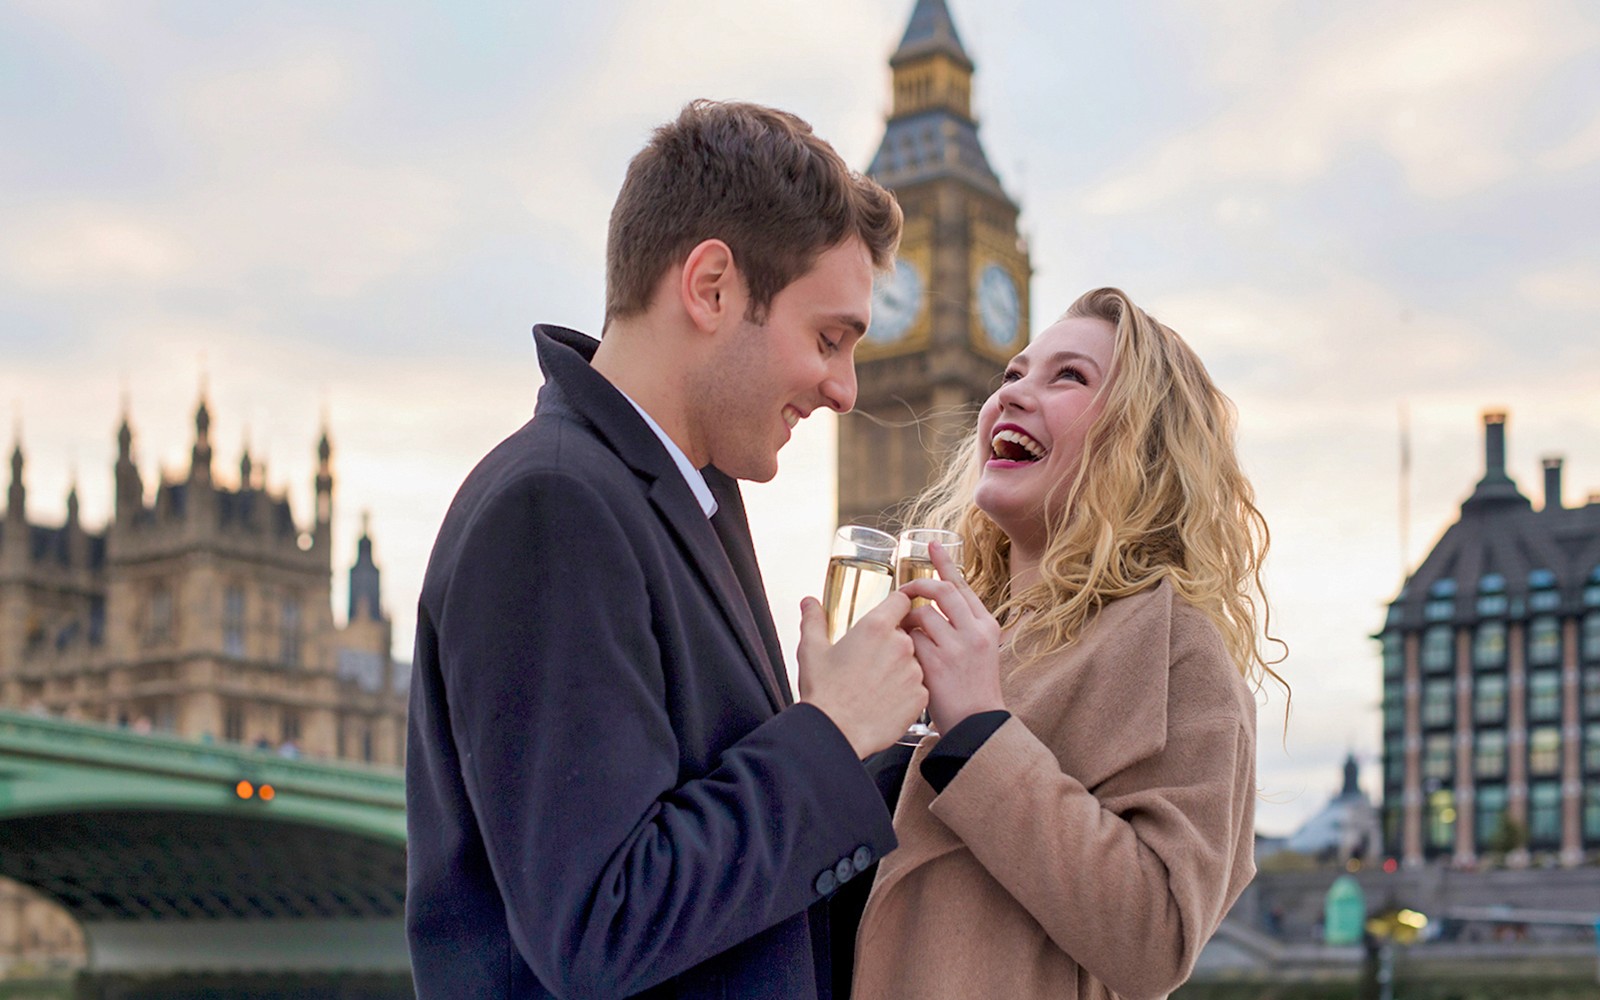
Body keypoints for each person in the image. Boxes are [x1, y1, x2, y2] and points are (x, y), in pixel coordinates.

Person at [406, 100, 928, 999]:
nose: (844, 390)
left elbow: (740, 896)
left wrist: (911, 740)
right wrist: (831, 733)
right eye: (829, 339)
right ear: (712, 287)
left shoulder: (681, 500)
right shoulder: (554, 506)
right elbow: (604, 921)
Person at [850, 287, 1287, 999]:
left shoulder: (1173, 647)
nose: (1015, 393)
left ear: (1142, 441)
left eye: (1069, 377)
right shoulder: (966, 631)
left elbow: (1158, 938)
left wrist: (982, 732)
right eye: (1014, 374)